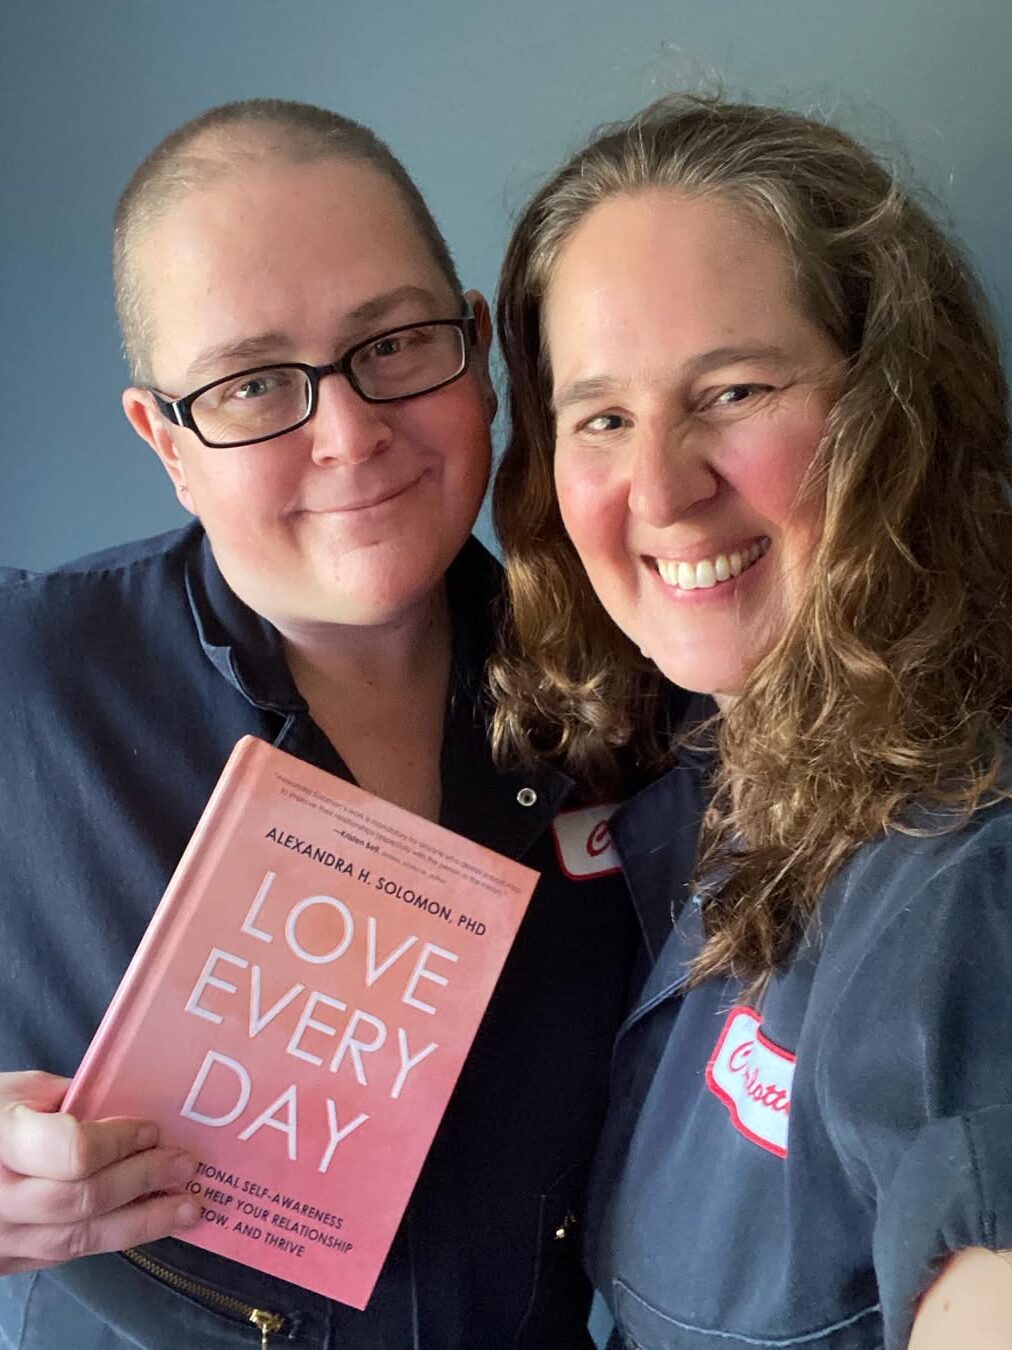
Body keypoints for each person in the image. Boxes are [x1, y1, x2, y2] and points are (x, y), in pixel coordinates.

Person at [0, 99, 642, 1348]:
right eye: (250, 384)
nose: (349, 436)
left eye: (394, 343)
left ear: (473, 347)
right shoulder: (26, 677)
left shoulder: (627, 682)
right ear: (165, 440)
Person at [489, 95, 1012, 1349]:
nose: (659, 488)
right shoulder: (708, 765)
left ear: (894, 411)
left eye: (730, 390)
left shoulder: (962, 874)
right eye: (602, 416)